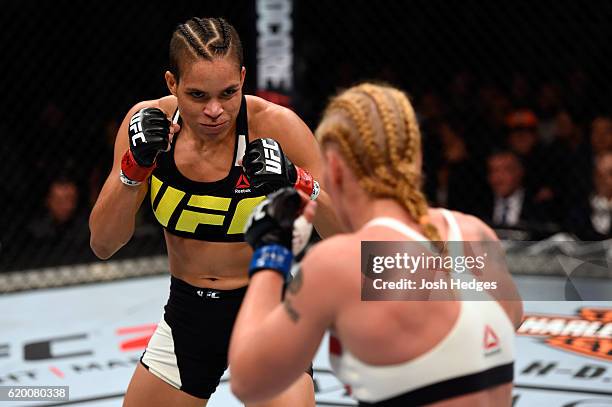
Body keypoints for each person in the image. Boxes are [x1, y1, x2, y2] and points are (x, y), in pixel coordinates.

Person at [89, 16, 340, 407]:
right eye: (198, 96)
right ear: (172, 84)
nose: (215, 111)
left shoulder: (278, 127)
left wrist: (300, 181)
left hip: (269, 308)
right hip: (187, 316)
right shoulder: (148, 124)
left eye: (228, 93)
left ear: (243, 78)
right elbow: (103, 244)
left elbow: (346, 238)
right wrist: (133, 168)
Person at [229, 83, 523, 406]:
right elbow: (513, 317)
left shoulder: (338, 264)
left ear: (336, 168)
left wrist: (270, 255)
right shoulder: (475, 233)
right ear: (415, 156)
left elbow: (248, 381)